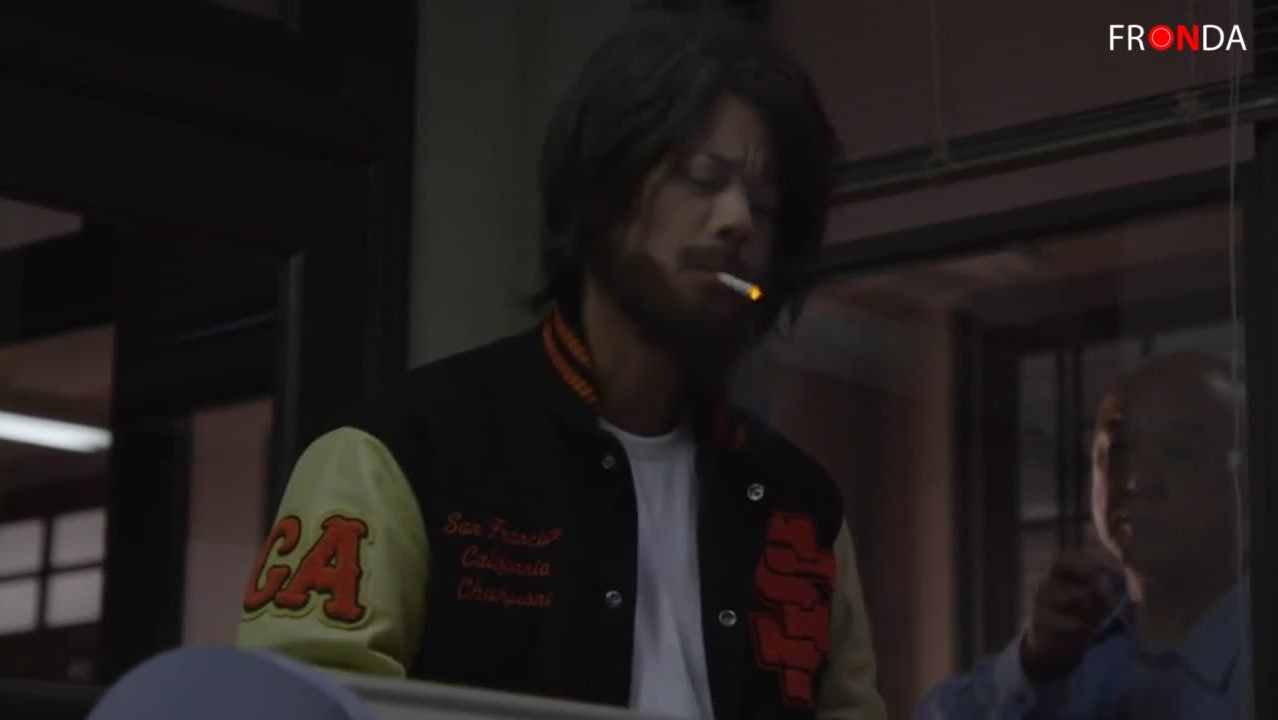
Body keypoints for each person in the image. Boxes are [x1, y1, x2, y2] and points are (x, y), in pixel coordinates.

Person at [237, 13, 887, 720]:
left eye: (765, 204)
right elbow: (291, 705)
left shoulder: (801, 503)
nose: (739, 222)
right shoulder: (401, 452)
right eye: (703, 178)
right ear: (601, 193)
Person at [916, 352, 1250, 719]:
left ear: (1247, 480)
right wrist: (1032, 664)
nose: (1138, 480)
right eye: (1119, 449)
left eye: (1180, 452)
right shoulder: (1066, 650)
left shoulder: (1256, 654)